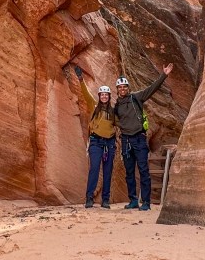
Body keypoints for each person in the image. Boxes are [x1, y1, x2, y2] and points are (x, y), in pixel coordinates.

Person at [114, 63, 173, 211]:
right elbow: (112, 121)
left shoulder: (136, 98)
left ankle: (145, 202)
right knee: (129, 172)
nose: (122, 89)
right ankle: (133, 200)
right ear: (117, 90)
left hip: (139, 139)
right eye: (120, 88)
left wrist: (164, 75)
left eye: (124, 87)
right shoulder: (116, 107)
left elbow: (152, 89)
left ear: (128, 88)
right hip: (126, 141)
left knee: (143, 170)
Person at [74, 65, 117, 209]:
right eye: (102, 95)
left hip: (109, 143)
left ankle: (105, 199)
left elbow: (119, 125)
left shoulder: (113, 111)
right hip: (96, 142)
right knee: (94, 169)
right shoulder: (93, 105)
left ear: (109, 96)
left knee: (107, 171)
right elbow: (85, 92)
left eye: (106, 95)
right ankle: (89, 198)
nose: (104, 96)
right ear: (99, 96)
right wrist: (81, 79)